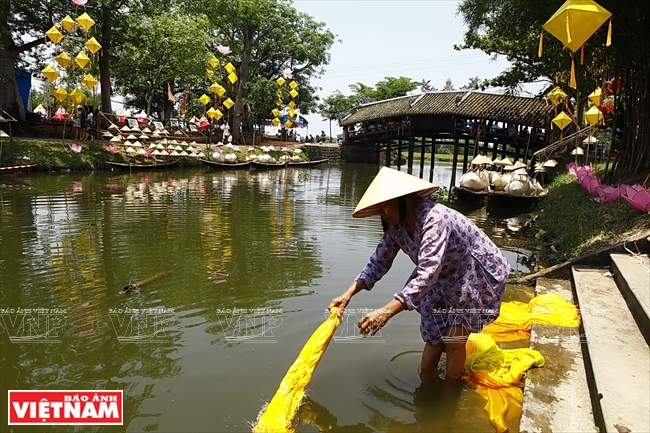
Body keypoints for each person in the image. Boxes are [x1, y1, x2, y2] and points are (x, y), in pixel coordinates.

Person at [328, 167, 509, 382]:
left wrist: (386, 312)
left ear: (403, 199)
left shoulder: (435, 218)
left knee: (454, 340)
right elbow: (378, 263)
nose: (382, 213)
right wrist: (348, 294)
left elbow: (427, 273)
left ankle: (449, 395)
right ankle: (425, 388)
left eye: (385, 205)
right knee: (433, 336)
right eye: (379, 209)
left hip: (471, 272)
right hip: (439, 276)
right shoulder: (396, 227)